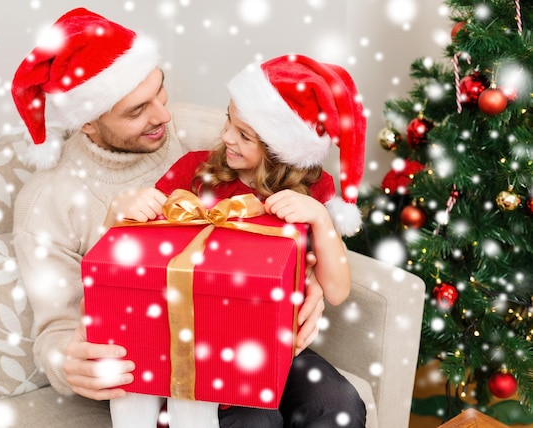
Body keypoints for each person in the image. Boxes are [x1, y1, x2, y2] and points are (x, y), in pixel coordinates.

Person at [10, 7, 337, 428]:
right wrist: (70, 363)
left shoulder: (206, 133)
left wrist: (307, 280)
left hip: (246, 331)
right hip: (150, 366)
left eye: (160, 92)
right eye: (136, 110)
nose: (164, 115)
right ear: (88, 123)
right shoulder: (46, 202)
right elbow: (56, 332)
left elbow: (285, 185)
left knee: (336, 406)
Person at [105, 54, 368, 428]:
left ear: (282, 148)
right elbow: (140, 248)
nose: (227, 136)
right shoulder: (196, 173)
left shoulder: (314, 190)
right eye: (229, 120)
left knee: (338, 404)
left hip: (280, 349)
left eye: (244, 135)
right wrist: (121, 210)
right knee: (256, 420)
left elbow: (338, 291)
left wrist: (320, 218)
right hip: (204, 346)